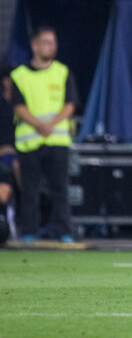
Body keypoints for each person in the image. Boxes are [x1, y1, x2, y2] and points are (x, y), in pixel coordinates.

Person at [11, 27, 78, 243]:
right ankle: (29, 232)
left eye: (53, 42)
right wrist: (39, 124)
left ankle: (64, 232)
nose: (52, 46)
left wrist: (50, 125)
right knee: (29, 189)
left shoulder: (62, 72)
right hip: (29, 142)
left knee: (60, 189)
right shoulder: (19, 75)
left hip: (57, 140)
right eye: (47, 42)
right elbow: (18, 106)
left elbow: (70, 104)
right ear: (35, 45)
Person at [0, 64, 19, 244]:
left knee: (17, 168)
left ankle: (14, 217)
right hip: (4, 156)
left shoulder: (19, 103)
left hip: (19, 153)